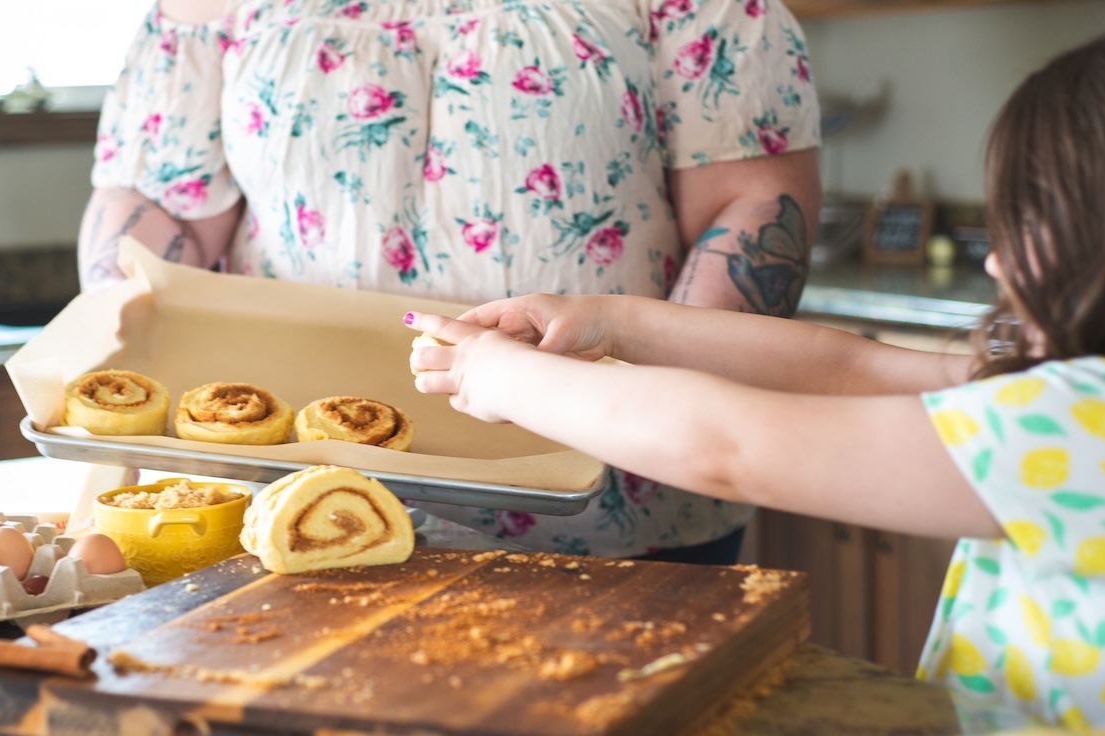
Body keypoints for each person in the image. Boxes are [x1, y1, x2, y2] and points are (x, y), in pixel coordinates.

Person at [404, 27, 1105, 729]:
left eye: (1030, 224)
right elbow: (851, 368)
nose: (997, 265)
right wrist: (612, 321)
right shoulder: (1086, 397)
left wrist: (500, 377)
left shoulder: (1090, 422)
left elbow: (725, 444)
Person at [78, 0, 822, 562]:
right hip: (295, 498)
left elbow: (751, 204)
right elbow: (150, 205)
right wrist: (114, 347)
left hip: (617, 500)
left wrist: (661, 420)